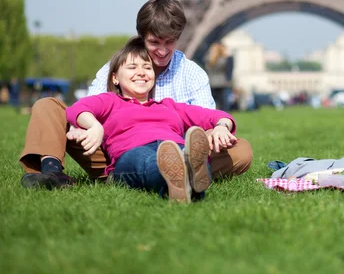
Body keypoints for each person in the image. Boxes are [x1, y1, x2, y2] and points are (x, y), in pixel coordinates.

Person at [19, 0, 253, 189]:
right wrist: (90, 127)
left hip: (176, 147)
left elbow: (206, 118)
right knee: (48, 106)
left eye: (169, 42)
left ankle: (182, 173)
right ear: (142, 37)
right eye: (154, 43)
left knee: (240, 150)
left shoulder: (190, 77)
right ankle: (51, 172)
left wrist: (219, 128)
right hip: (109, 147)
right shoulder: (118, 69)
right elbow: (88, 105)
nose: (162, 51)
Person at [66, 37, 236, 202]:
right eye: (132, 67)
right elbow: (77, 109)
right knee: (147, 161)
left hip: (174, 148)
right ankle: (186, 174)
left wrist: (221, 126)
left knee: (184, 154)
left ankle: (184, 183)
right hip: (130, 153)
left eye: (147, 68)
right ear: (115, 78)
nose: (141, 72)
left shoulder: (169, 106)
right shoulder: (109, 101)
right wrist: (95, 126)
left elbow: (216, 116)